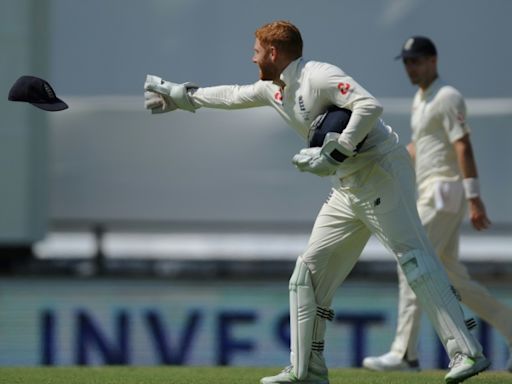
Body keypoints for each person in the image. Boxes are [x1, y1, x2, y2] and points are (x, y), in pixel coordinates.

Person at [144, 21, 489, 384]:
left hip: (379, 171)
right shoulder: (273, 89)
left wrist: (337, 152)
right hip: (346, 187)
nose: (252, 57)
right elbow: (232, 95)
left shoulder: (318, 75)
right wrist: (182, 96)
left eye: (256, 50)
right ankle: (307, 369)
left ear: (273, 53)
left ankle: (467, 353)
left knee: (414, 261)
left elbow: (370, 106)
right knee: (306, 274)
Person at [362, 36, 512, 374]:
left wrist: (475, 198)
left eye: (416, 61)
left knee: (411, 263)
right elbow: (423, 146)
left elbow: (463, 147)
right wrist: (387, 167)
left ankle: (405, 353)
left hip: (443, 193)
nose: (410, 68)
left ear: (433, 61)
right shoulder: (422, 98)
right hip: (430, 193)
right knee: (454, 280)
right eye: (406, 62)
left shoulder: (447, 97)